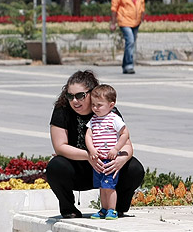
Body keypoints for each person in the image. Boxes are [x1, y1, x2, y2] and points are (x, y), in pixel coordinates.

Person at [45, 69, 144, 219]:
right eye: (70, 96)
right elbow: (60, 147)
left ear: (92, 93)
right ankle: (68, 208)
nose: (74, 101)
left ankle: (117, 207)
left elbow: (127, 144)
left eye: (80, 96)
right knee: (55, 166)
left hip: (107, 167)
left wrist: (121, 159)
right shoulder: (62, 111)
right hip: (79, 168)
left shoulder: (109, 112)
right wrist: (88, 156)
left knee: (135, 168)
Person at [85, 84, 130, 220]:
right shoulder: (93, 120)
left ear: (111, 105)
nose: (95, 108)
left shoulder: (114, 119)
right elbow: (88, 136)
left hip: (110, 160)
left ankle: (112, 209)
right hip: (99, 160)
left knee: (110, 186)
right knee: (101, 186)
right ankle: (103, 209)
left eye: (99, 105)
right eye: (93, 105)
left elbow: (125, 134)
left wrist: (116, 149)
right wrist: (92, 149)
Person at [109, 0, 146, 74]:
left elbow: (142, 5)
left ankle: (125, 64)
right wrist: (113, 22)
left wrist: (142, 16)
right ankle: (129, 64)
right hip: (124, 21)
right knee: (130, 41)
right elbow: (114, 7)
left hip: (136, 21)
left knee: (131, 43)